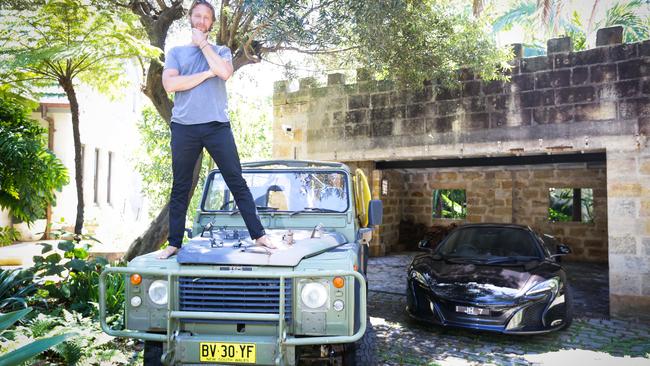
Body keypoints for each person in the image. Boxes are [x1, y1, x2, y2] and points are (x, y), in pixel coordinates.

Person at [157, 0, 274, 259]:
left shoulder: (221, 51)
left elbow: (224, 72)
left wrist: (203, 46)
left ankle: (260, 235)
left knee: (236, 181)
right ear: (190, 18)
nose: (201, 21)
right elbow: (170, 84)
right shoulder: (176, 52)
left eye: (206, 17)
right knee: (180, 186)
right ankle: (174, 243)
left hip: (216, 127)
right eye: (197, 16)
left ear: (211, 23)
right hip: (184, 128)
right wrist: (205, 75)